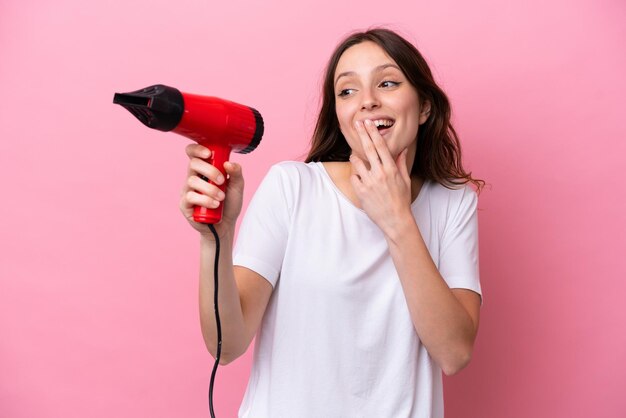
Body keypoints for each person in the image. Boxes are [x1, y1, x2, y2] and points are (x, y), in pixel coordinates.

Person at [180, 27, 484, 418]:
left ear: (424, 106)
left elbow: (454, 353)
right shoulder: (292, 187)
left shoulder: (453, 203)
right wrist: (215, 241)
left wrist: (396, 218)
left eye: (387, 83)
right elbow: (226, 346)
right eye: (347, 91)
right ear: (338, 114)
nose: (367, 103)